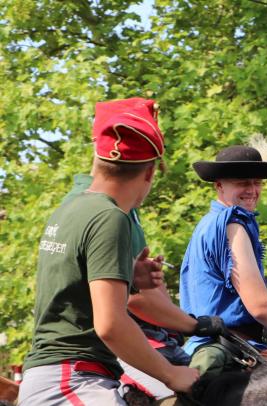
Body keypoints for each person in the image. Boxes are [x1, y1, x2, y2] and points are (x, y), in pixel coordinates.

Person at [18, 98, 200, 405]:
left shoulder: (73, 207)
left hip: (61, 377)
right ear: (149, 173)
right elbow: (111, 325)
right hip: (71, 380)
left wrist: (127, 273)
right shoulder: (110, 218)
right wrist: (171, 374)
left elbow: (73, 285)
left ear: (97, 157)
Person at [180, 137, 267, 379]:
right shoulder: (231, 223)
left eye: (257, 183)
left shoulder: (210, 223)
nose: (253, 190)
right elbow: (260, 306)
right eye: (243, 183)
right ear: (219, 186)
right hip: (229, 354)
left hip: (226, 347)